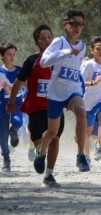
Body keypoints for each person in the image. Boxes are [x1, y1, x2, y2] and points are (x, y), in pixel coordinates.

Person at [6, 25, 64, 187]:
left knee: (55, 140)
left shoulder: (61, 60)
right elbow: (18, 82)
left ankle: (49, 175)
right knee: (40, 141)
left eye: (49, 37)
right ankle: (40, 153)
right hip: (36, 109)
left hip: (55, 106)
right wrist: (11, 102)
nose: (46, 41)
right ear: (37, 42)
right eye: (42, 38)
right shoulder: (32, 61)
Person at [37, 9, 90, 173]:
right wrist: (66, 52)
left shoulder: (83, 46)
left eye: (81, 24)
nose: (77, 27)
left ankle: (81, 155)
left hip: (73, 91)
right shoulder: (59, 42)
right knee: (52, 132)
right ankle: (41, 153)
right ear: (65, 24)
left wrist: (81, 86)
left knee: (81, 112)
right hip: (56, 93)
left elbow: (76, 68)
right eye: (74, 23)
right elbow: (44, 62)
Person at [80, 37, 101, 164]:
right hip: (87, 100)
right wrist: (93, 82)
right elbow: (79, 81)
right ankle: (86, 156)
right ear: (92, 50)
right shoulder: (87, 65)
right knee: (87, 130)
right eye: (98, 49)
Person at [0, 43, 23, 172]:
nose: (12, 57)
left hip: (17, 103)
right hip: (2, 105)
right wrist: (7, 90)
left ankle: (13, 131)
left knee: (18, 121)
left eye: (14, 54)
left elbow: (27, 86)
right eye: (9, 54)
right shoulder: (0, 72)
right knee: (2, 134)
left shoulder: (20, 71)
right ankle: (6, 159)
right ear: (1, 56)